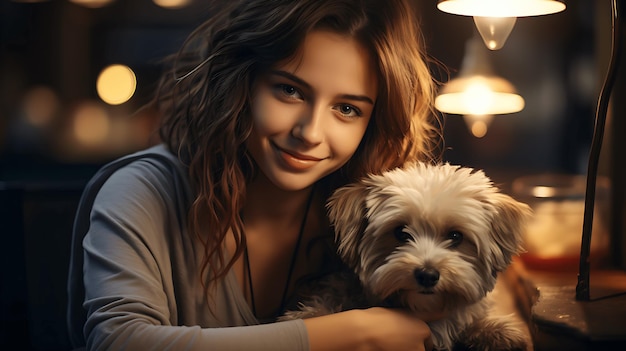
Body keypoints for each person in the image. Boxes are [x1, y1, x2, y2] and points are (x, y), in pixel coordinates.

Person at [67, 0, 443, 349]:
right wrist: (351, 332)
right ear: (242, 82)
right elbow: (118, 341)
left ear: (372, 123)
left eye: (346, 108)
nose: (310, 133)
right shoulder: (141, 191)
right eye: (290, 90)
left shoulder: (376, 223)